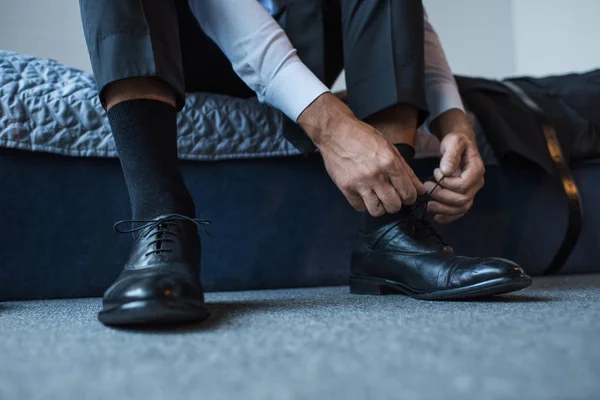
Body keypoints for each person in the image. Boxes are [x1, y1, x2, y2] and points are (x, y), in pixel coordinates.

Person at [79, 0, 532, 326]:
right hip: (186, 40)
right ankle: (162, 217)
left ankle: (392, 232)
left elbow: (408, 20)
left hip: (303, 34)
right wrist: (329, 124)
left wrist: (456, 121)